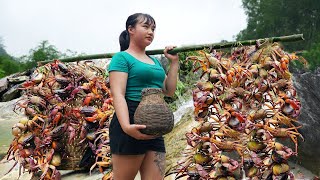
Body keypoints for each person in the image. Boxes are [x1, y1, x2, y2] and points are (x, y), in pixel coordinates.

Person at [108, 13, 179, 180]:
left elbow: (169, 91)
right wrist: (126, 127)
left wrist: (174, 63)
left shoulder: (155, 61)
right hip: (130, 119)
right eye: (146, 27)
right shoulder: (121, 58)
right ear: (131, 29)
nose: (151, 32)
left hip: (154, 124)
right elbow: (118, 95)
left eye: (153, 29)